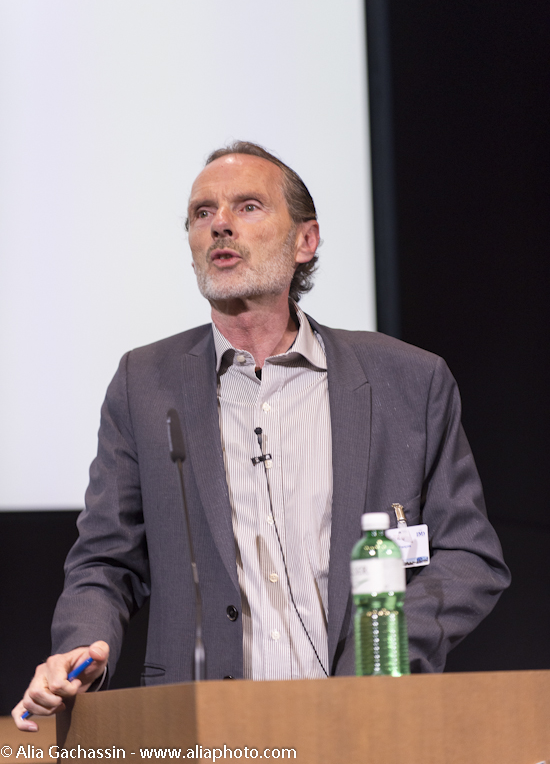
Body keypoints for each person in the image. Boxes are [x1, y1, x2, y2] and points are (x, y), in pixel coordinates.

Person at [13, 141, 510, 730]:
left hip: (364, 726)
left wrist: (383, 648)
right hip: (204, 730)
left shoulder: (408, 380)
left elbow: (468, 556)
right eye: (202, 213)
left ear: (305, 241)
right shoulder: (143, 384)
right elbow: (105, 560)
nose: (219, 224)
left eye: (247, 206)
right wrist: (80, 647)